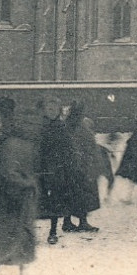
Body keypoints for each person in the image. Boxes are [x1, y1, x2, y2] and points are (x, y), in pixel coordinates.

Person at [0, 110, 39, 269]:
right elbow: (7, 172)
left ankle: (18, 267)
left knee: (20, 233)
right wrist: (26, 184)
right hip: (12, 196)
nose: (32, 127)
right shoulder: (12, 144)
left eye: (35, 124)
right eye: (28, 123)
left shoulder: (28, 143)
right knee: (9, 234)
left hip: (22, 195)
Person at [36, 95, 79, 245]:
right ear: (44, 110)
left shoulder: (62, 127)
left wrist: (67, 164)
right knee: (38, 199)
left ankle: (53, 231)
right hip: (40, 167)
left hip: (57, 169)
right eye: (49, 109)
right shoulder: (38, 126)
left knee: (55, 200)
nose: (52, 111)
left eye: (55, 109)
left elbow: (69, 147)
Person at [63, 100, 101, 233]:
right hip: (81, 165)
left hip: (71, 164)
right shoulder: (81, 126)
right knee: (82, 194)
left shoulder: (67, 125)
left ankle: (67, 221)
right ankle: (82, 222)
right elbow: (87, 144)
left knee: (71, 193)